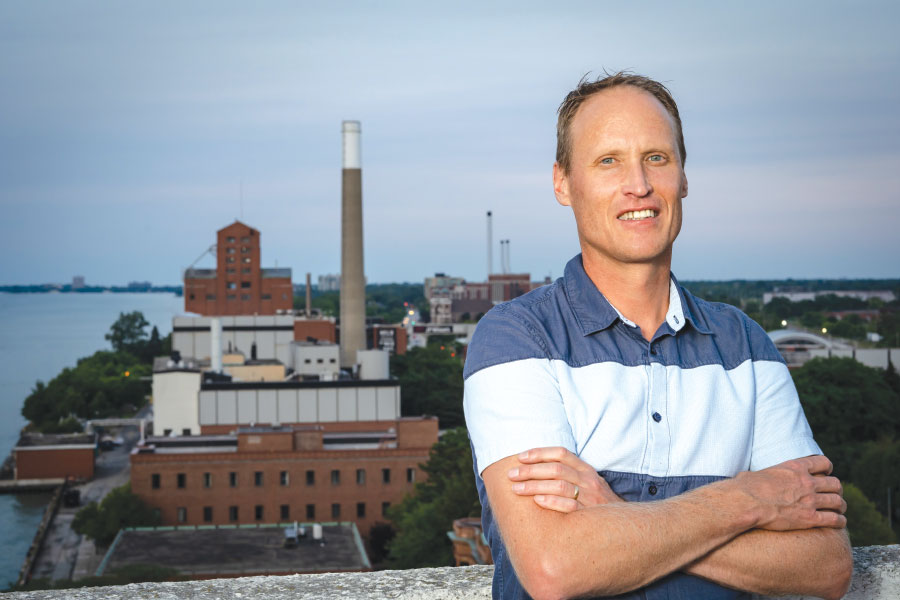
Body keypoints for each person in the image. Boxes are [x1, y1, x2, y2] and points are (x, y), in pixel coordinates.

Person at [462, 72, 853, 600]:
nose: (638, 185)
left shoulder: (747, 346)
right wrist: (751, 501)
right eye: (608, 161)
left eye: (657, 158)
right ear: (562, 183)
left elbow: (824, 565)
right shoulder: (516, 340)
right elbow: (556, 567)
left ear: (683, 178)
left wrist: (617, 519)